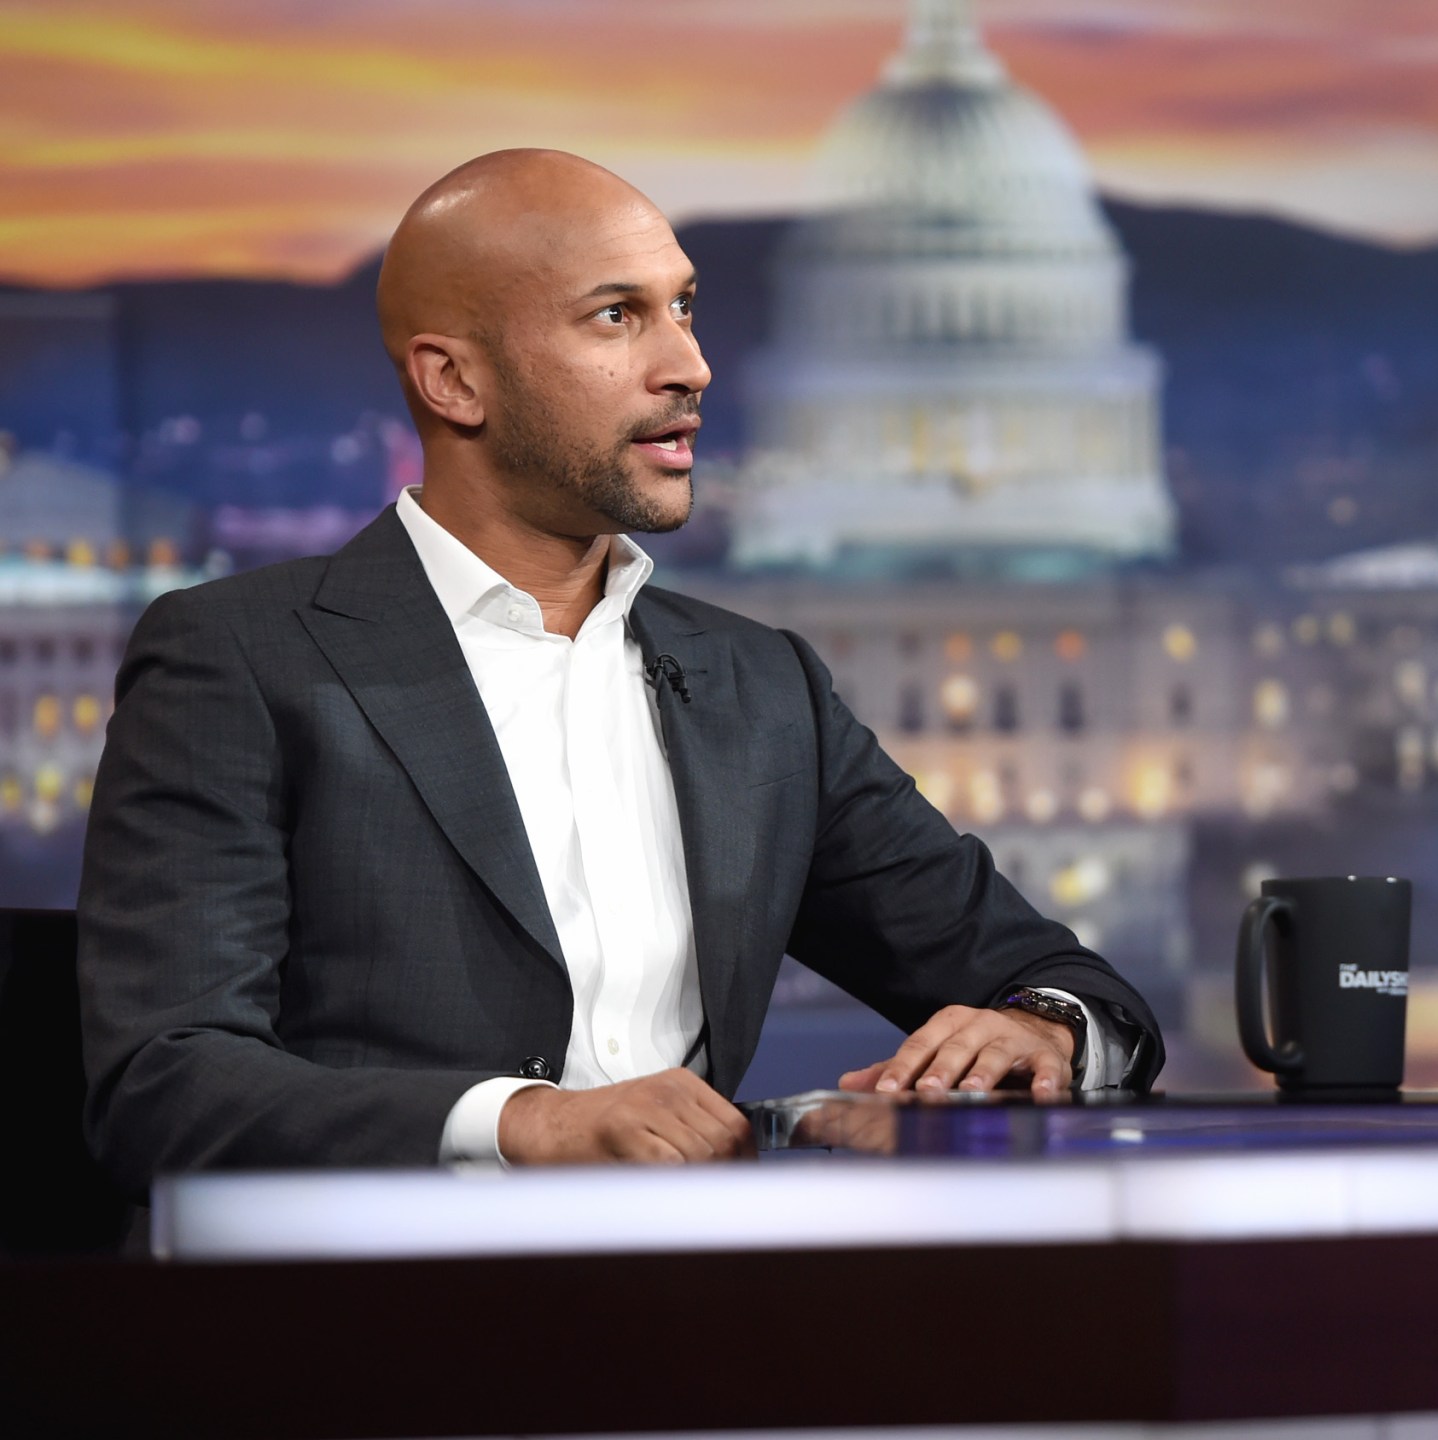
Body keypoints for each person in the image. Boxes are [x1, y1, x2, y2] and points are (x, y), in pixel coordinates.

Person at [78, 150, 1162, 1189]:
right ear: (454, 381)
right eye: (617, 316)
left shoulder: (758, 686)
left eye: (683, 307)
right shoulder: (241, 656)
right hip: (364, 1332)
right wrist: (518, 1123)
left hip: (686, 1322)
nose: (688, 365)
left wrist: (1036, 1031)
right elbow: (167, 1087)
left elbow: (1069, 987)